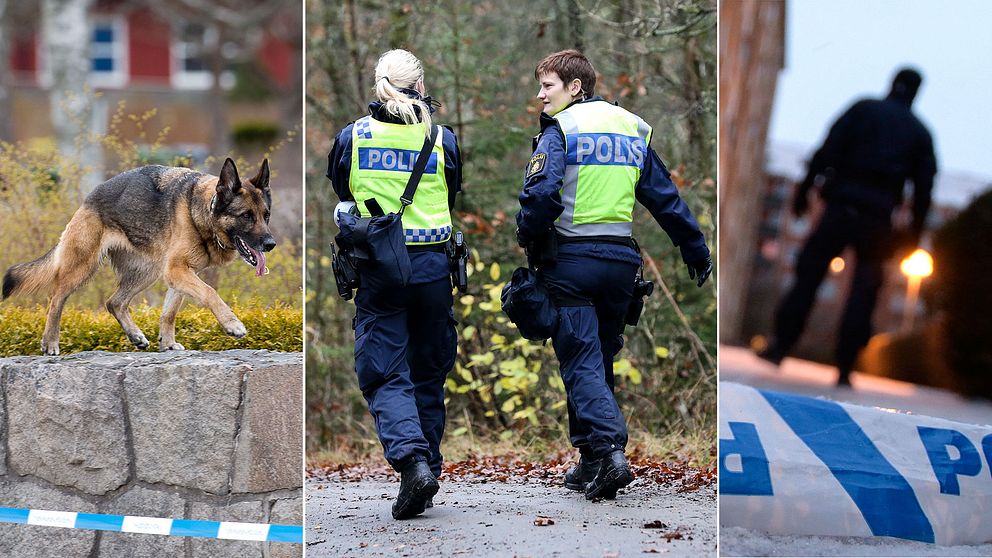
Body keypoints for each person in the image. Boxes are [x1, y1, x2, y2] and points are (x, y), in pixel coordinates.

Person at [516, 50, 712, 499]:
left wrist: (527, 235)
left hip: (571, 262)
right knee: (596, 360)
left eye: (547, 86)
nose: (540, 95)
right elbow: (664, 197)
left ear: (574, 87)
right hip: (621, 265)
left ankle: (609, 454)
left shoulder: (561, 130)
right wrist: (694, 247)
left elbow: (542, 195)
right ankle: (588, 459)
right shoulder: (631, 127)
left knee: (579, 359)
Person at [326, 49, 462, 520]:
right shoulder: (442, 138)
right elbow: (452, 189)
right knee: (429, 370)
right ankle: (428, 466)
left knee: (385, 372)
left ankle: (413, 464)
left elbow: (342, 190)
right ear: (420, 86)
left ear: (378, 85)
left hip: (380, 269)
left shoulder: (353, 137)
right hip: (432, 269)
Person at [759, 67, 937, 386]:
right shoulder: (919, 133)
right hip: (878, 218)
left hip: (841, 206)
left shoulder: (864, 110)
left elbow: (828, 147)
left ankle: (780, 346)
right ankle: (845, 366)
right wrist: (913, 235)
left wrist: (804, 190)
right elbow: (923, 189)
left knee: (809, 276)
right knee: (865, 291)